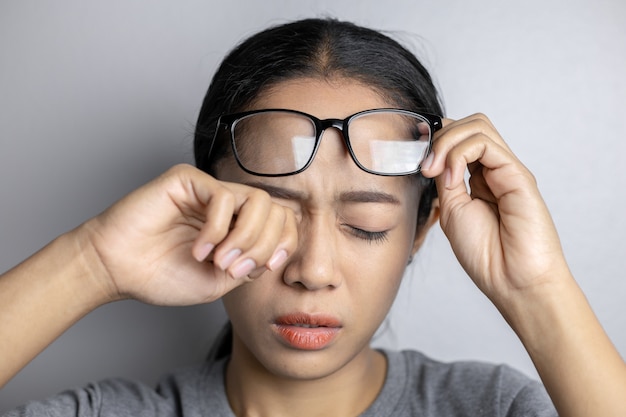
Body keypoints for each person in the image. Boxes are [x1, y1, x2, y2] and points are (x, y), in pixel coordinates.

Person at [1, 17, 624, 417]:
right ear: (200, 211)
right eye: (270, 215)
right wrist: (91, 263)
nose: (313, 270)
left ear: (420, 230)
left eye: (367, 226)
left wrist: (538, 291)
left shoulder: (492, 407)